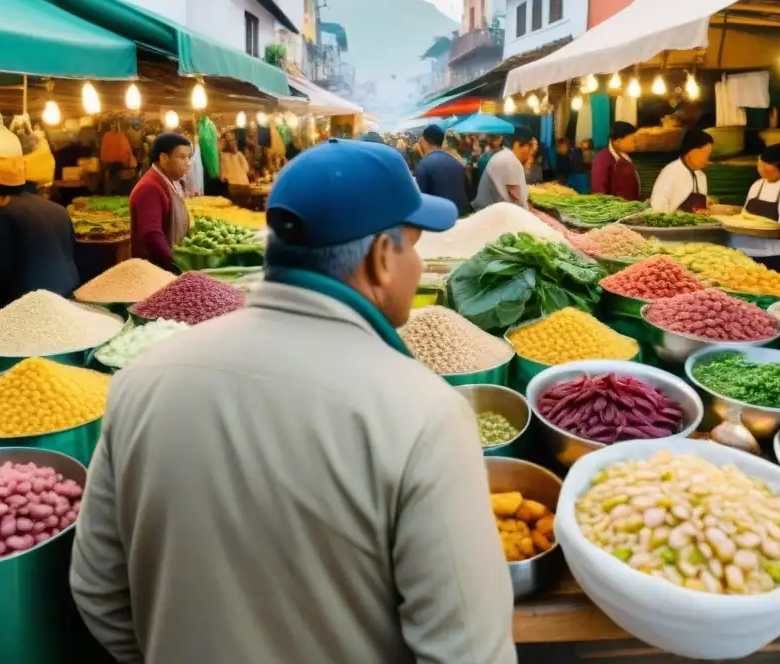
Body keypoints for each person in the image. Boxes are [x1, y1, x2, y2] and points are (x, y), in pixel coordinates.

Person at [70, 138, 515, 664]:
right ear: (378, 259)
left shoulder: (141, 381)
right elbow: (468, 651)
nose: (418, 265)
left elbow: (98, 590)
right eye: (413, 245)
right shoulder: (424, 413)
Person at [0, 135, 79, 307]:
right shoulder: (59, 209)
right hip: (69, 292)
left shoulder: (4, 213)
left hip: (31, 301)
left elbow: (0, 272)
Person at [727, 144, 780, 275]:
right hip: (745, 256)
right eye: (760, 164)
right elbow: (744, 216)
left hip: (775, 259)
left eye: (766, 165)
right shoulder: (757, 185)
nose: (761, 169)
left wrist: (761, 228)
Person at [128, 132, 193, 272]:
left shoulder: (169, 181)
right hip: (153, 269)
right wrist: (175, 266)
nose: (188, 162)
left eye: (189, 157)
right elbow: (152, 235)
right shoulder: (150, 188)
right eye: (182, 157)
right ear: (164, 158)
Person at [649, 128, 713, 212]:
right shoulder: (670, 171)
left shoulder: (701, 176)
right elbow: (658, 206)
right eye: (705, 155)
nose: (707, 161)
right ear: (691, 151)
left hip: (699, 225)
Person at [414, 124, 471, 216]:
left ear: (424, 141)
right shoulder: (456, 162)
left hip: (444, 219)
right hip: (464, 216)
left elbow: (422, 200)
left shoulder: (423, 166)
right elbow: (469, 193)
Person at [473, 127, 536, 210]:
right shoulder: (509, 162)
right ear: (517, 144)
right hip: (490, 216)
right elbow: (517, 202)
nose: (532, 151)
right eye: (530, 145)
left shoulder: (507, 157)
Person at [591, 122, 641, 200]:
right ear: (617, 141)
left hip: (629, 208)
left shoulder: (625, 157)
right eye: (633, 140)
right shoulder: (604, 157)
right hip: (616, 210)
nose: (636, 143)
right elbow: (599, 191)